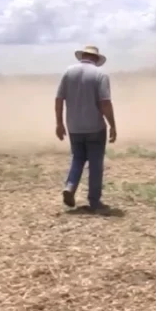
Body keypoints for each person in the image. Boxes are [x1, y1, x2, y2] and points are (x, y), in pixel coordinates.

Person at [55, 45, 118, 212]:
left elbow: (59, 99)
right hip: (95, 127)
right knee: (96, 164)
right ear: (96, 59)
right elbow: (105, 103)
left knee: (78, 158)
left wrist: (59, 123)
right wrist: (112, 125)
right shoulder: (100, 75)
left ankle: (70, 186)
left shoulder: (68, 72)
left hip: (74, 127)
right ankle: (94, 201)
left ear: (82, 56)